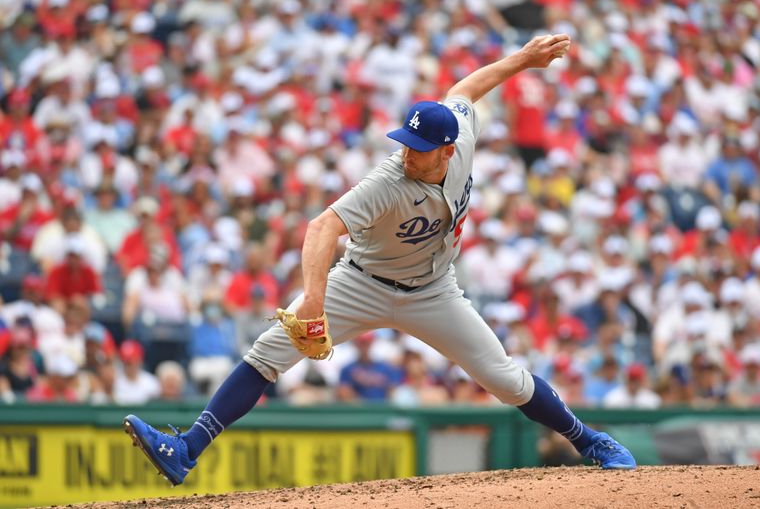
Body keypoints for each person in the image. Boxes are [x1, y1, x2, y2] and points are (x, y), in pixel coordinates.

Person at [123, 33, 635, 487]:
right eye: (405, 143)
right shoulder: (387, 182)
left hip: (434, 290)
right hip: (361, 282)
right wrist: (315, 301)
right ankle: (187, 448)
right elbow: (322, 227)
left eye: (419, 148)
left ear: (448, 151)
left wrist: (523, 60)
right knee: (267, 354)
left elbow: (465, 90)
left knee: (504, 379)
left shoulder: (461, 134)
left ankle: (590, 441)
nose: (407, 153)